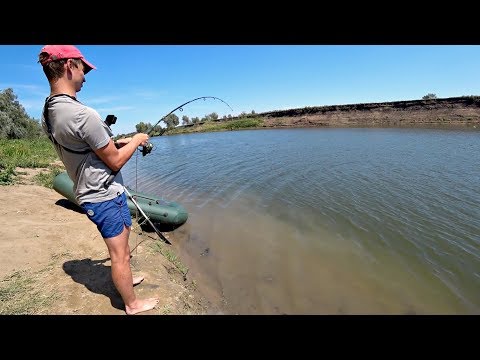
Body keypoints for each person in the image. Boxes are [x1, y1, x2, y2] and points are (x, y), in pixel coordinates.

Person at [38, 45, 159, 315]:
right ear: (69, 65)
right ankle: (132, 304)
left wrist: (118, 142)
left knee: (122, 250)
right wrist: (137, 140)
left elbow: (86, 146)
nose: (86, 76)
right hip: (102, 195)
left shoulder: (48, 111)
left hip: (92, 191)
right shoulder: (83, 114)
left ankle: (126, 276)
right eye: (83, 68)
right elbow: (114, 161)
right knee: (119, 255)